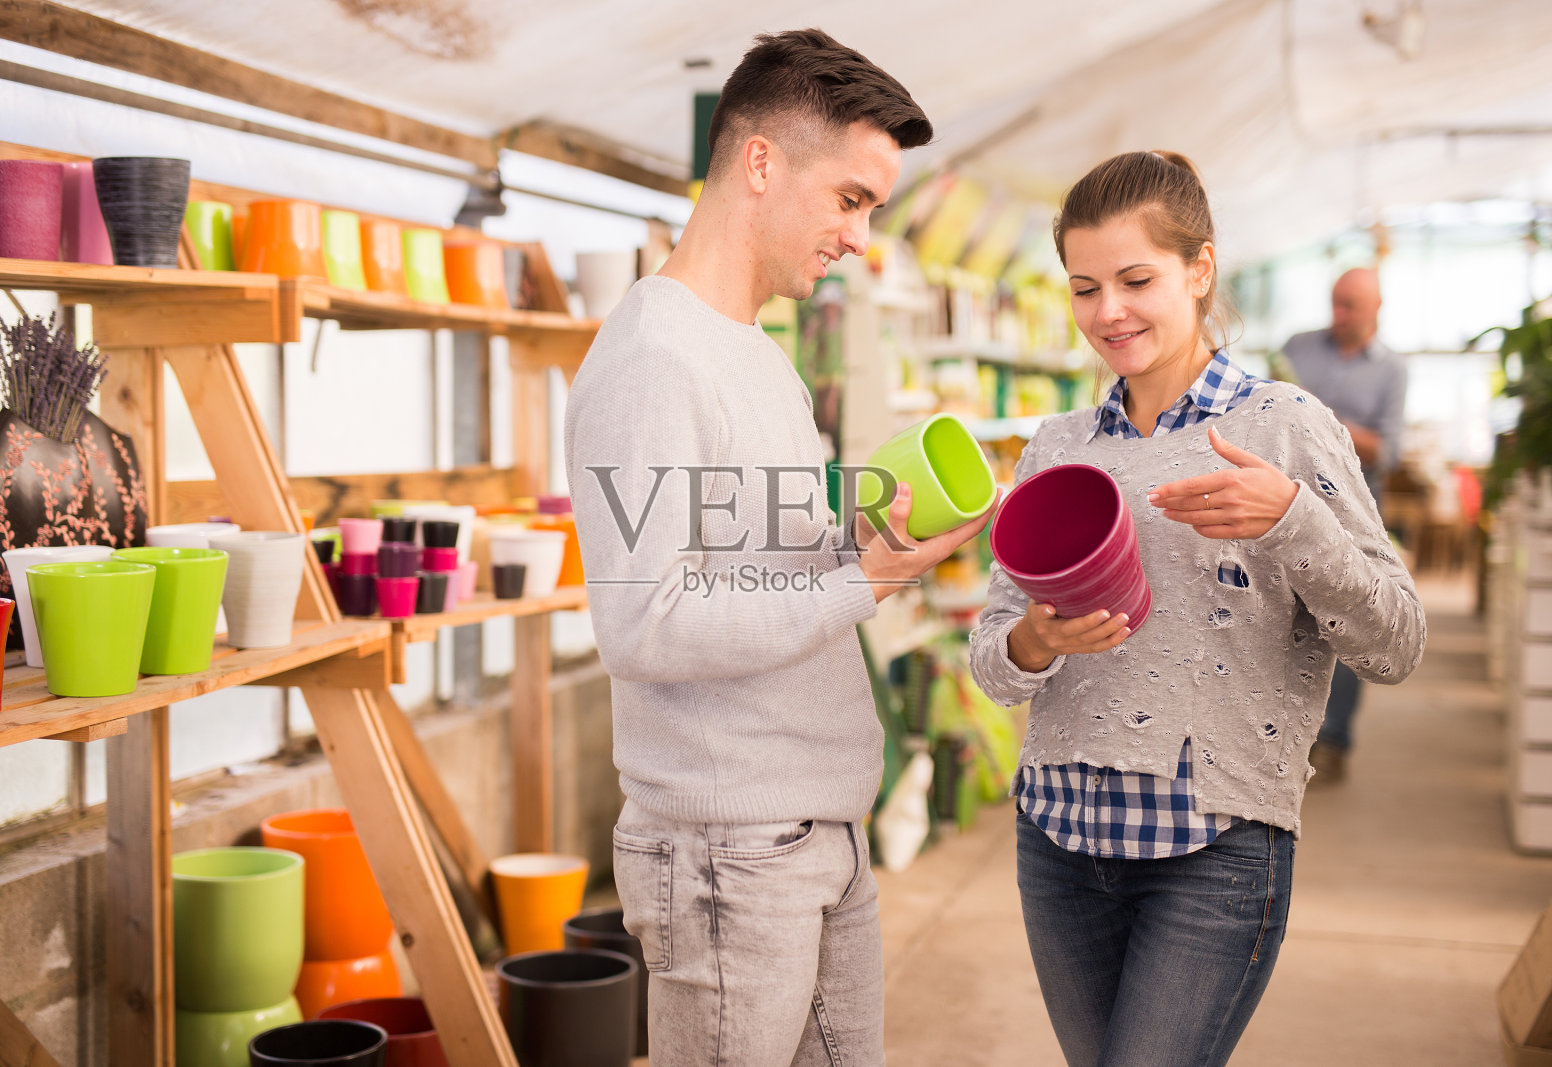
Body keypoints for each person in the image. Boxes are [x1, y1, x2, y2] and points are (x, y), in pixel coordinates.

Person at [564, 29, 992, 1067]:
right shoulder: (654, 358)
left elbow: (743, 559)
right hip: (728, 851)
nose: (860, 235)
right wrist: (863, 578)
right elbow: (645, 620)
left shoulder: (754, 351)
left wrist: (852, 530)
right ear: (760, 163)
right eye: (850, 199)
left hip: (815, 833)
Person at [967, 151, 1426, 1067]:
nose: (1109, 312)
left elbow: (1396, 641)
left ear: (1200, 270)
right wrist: (1032, 638)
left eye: (1137, 280)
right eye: (1085, 287)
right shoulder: (1056, 448)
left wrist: (1294, 520)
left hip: (1212, 848)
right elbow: (990, 657)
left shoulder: (1285, 426)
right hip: (1056, 838)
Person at [1283, 270, 1408, 782]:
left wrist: (1321, 421)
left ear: (1376, 308)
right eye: (1336, 303)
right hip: (1289, 491)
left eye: (1351, 306)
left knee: (1348, 610)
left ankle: (1333, 738)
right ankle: (1289, 730)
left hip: (1354, 496)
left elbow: (1388, 449)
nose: (1340, 315)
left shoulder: (1392, 370)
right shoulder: (1297, 348)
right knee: (1285, 610)